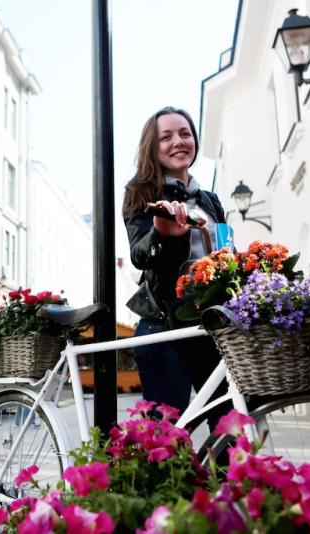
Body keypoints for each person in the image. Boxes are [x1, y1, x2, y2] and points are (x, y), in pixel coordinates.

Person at [123, 106, 228, 418]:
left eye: (185, 133)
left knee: (231, 431)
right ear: (152, 148)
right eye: (165, 137)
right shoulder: (142, 193)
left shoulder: (210, 200)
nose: (178, 141)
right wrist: (162, 235)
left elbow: (224, 251)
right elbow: (139, 253)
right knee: (167, 439)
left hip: (211, 326)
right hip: (164, 326)